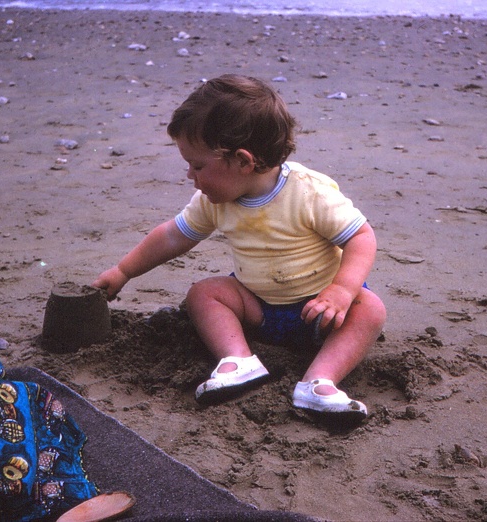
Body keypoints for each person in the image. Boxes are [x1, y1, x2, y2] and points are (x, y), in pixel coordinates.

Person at [93, 74, 386, 420]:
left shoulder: (309, 193)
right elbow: (174, 235)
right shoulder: (214, 201)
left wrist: (342, 289)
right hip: (258, 308)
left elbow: (361, 237)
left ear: (243, 161)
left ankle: (319, 382)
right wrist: (124, 271)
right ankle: (238, 359)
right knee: (204, 293)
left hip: (322, 312)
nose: (190, 175)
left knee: (369, 308)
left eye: (198, 165)